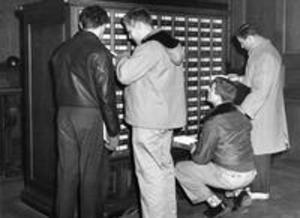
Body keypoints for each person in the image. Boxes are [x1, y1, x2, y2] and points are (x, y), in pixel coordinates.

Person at [116, 7, 186, 218]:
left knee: (149, 178)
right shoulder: (170, 45)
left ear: (138, 25)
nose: (129, 37)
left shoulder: (149, 48)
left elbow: (124, 75)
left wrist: (121, 58)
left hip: (148, 123)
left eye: (129, 31)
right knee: (164, 173)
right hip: (165, 122)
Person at [51, 5, 120, 218]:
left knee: (66, 173)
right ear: (104, 26)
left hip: (63, 114)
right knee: (90, 174)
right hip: (89, 115)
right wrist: (113, 130)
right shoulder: (99, 52)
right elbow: (106, 97)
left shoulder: (60, 50)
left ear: (81, 24)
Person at [175, 77, 257, 218]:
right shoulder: (241, 116)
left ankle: (216, 204)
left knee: (180, 168)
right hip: (250, 173)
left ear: (218, 95)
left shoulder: (214, 121)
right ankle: (240, 193)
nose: (207, 90)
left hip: (231, 176)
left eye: (211, 89)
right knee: (226, 158)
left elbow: (201, 159)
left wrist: (194, 148)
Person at [233, 23, 290, 200]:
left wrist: (242, 111)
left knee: (260, 150)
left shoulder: (264, 54)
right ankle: (257, 187)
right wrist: (239, 78)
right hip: (261, 109)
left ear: (250, 38)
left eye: (242, 42)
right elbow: (256, 79)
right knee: (257, 148)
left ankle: (260, 190)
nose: (241, 46)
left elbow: (260, 89)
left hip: (260, 110)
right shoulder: (262, 51)